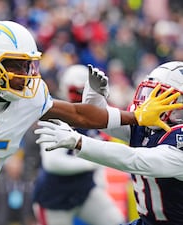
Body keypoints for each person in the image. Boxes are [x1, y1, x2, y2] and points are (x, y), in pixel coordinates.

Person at [0, 21, 178, 225]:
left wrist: (135, 117)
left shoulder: (30, 99)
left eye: (28, 64)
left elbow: (79, 114)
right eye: (15, 65)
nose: (25, 73)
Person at [34, 61, 183, 225]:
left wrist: (80, 142)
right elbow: (108, 125)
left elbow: (135, 159)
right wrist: (95, 100)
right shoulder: (153, 126)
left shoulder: (178, 138)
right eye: (149, 93)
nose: (148, 102)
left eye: (160, 96)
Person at [32, 64, 125, 225]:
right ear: (65, 89)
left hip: (85, 191)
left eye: (89, 91)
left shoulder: (102, 115)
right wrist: (92, 163)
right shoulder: (56, 115)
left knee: (116, 221)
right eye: (79, 91)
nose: (84, 97)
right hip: (55, 197)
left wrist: (100, 182)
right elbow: (52, 163)